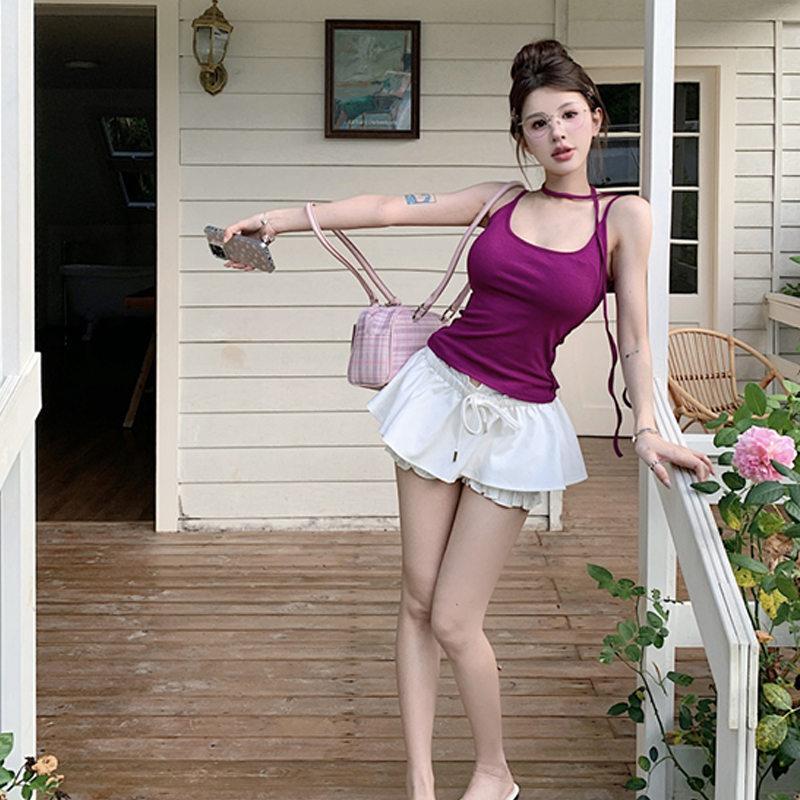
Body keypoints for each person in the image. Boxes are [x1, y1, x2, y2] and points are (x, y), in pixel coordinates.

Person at [223, 39, 714, 800]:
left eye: (569, 115)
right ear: (522, 137)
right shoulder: (499, 202)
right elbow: (388, 209)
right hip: (439, 392)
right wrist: (278, 221)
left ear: (596, 119)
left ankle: (494, 770)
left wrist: (649, 426)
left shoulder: (624, 217)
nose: (556, 133)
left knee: (454, 617)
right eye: (538, 123)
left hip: (518, 423)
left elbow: (638, 338)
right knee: (417, 598)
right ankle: (420, 779)